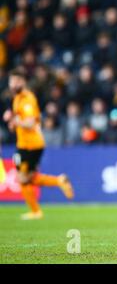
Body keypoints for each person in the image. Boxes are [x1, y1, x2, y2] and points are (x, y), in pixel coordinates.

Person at [3, 70, 74, 220]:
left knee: (23, 178)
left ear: (23, 82)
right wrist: (12, 121)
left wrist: (16, 121)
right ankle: (59, 181)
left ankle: (36, 211)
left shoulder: (28, 99)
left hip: (31, 145)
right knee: (28, 177)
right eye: (11, 81)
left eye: (16, 81)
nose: (13, 84)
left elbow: (30, 122)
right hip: (24, 144)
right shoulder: (17, 99)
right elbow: (20, 122)